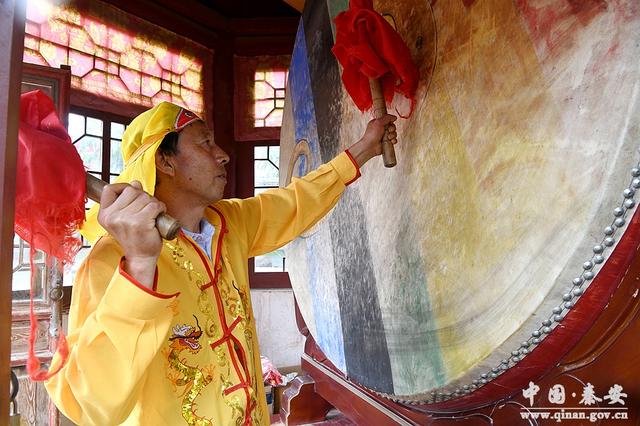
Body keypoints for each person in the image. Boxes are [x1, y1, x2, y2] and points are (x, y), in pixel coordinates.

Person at [45, 101, 397, 425]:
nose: (223, 155)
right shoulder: (110, 260)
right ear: (165, 162)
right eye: (205, 143)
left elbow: (296, 202)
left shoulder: (231, 222)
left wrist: (364, 146)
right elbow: (92, 403)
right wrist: (139, 266)